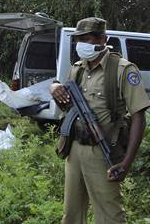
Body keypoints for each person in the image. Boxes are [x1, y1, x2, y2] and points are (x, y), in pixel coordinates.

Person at [49, 17, 150, 224]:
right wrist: (55, 89)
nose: (81, 45)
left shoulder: (123, 70)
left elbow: (139, 117)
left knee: (109, 216)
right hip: (74, 149)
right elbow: (67, 106)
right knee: (71, 214)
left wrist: (126, 163)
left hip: (102, 151)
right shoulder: (78, 68)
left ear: (102, 39)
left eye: (87, 39)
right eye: (79, 40)